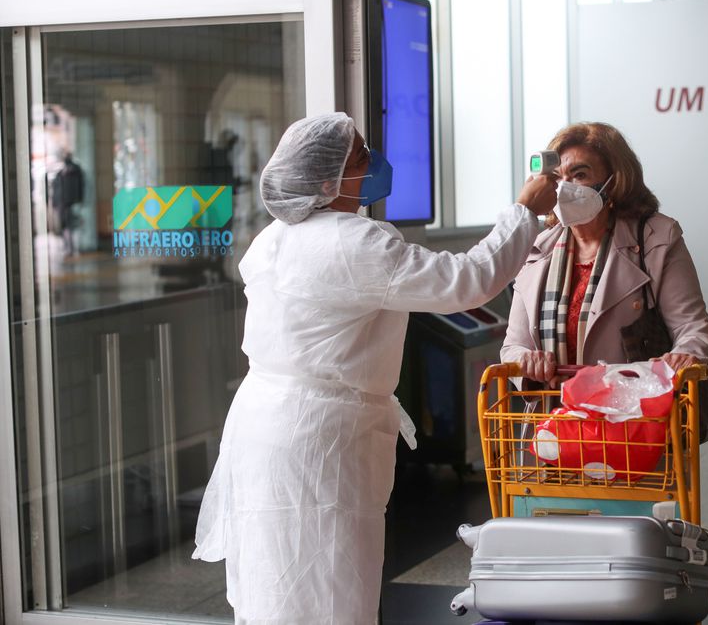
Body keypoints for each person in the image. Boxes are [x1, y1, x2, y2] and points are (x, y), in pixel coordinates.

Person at [192, 112, 556, 624]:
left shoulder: (274, 239)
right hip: (320, 440)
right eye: (361, 156)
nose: (375, 162)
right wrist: (524, 212)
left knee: (275, 577)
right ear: (327, 182)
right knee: (331, 583)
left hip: (266, 425)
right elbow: (467, 281)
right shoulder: (352, 243)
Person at [501, 121, 708, 387]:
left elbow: (692, 327)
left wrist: (684, 356)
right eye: (557, 178)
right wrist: (526, 360)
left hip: (634, 407)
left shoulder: (657, 239)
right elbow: (513, 347)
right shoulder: (536, 249)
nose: (564, 187)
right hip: (554, 409)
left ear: (614, 182)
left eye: (580, 175)